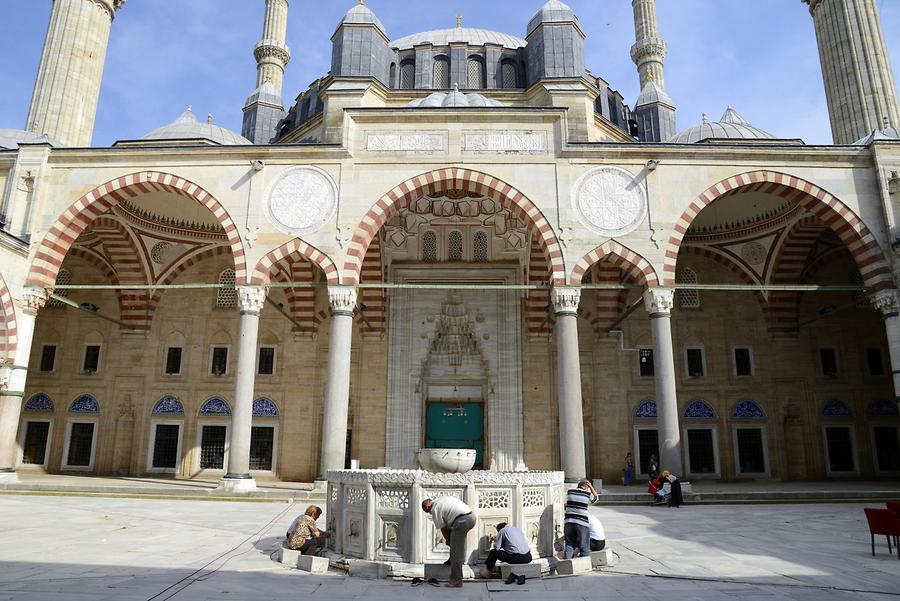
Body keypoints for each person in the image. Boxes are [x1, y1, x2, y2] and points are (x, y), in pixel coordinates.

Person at [422, 497, 476, 588]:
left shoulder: (435, 508)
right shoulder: (441, 500)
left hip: (461, 521)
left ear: (427, 507)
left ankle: (456, 581)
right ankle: (451, 561)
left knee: (456, 551)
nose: (430, 513)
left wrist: (448, 541)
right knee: (455, 546)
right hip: (471, 517)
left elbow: (443, 528)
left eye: (427, 512)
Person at [564, 479, 599, 559]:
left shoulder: (570, 492)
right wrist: (591, 486)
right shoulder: (587, 494)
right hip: (582, 522)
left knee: (569, 543)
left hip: (568, 522)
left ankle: (566, 564)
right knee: (584, 544)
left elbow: (566, 504)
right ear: (586, 486)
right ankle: (584, 564)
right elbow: (596, 498)